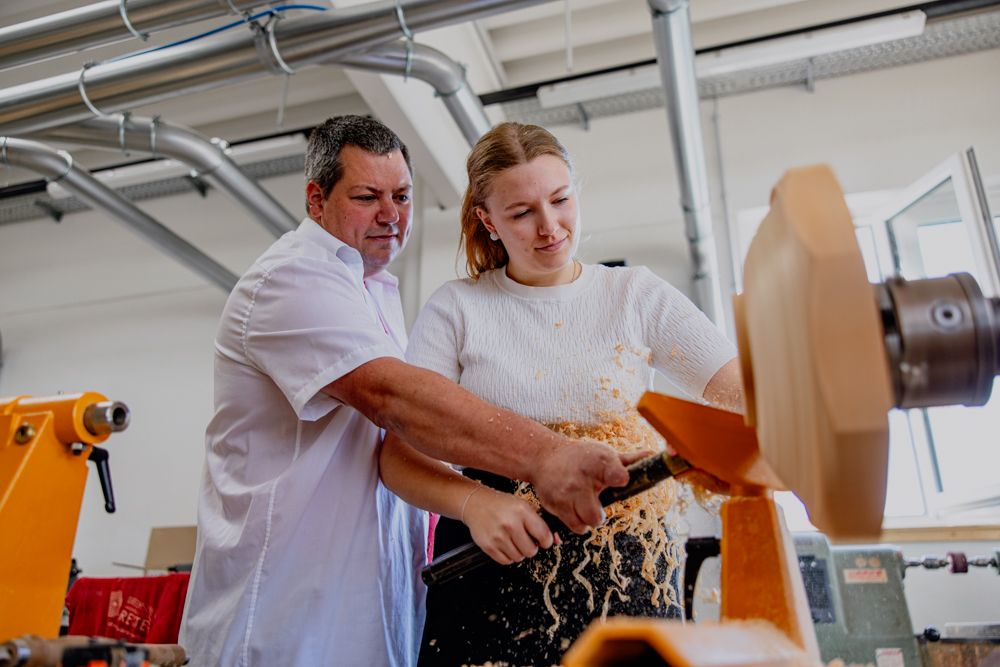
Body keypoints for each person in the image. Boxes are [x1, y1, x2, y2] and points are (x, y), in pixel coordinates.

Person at [179, 115, 636, 667]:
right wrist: (547, 455)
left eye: (401, 196)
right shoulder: (289, 279)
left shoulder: (372, 292)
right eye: (367, 197)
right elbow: (396, 400)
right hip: (286, 620)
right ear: (316, 200)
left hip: (370, 612)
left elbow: (394, 449)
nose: (391, 215)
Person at [379, 121, 744, 667]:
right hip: (491, 558)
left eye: (561, 199)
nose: (549, 226)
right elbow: (398, 456)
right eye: (522, 213)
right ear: (488, 220)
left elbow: (738, 394)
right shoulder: (456, 308)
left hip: (627, 561)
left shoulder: (635, 294)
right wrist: (473, 503)